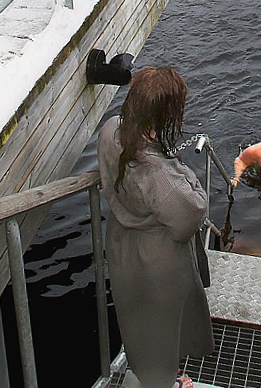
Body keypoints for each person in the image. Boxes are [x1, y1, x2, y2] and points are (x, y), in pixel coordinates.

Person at [97, 67, 213, 388]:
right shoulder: (158, 173)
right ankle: (166, 384)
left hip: (123, 246)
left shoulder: (112, 130)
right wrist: (188, 178)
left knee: (139, 325)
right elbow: (190, 215)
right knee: (162, 331)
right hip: (157, 260)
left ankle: (159, 377)